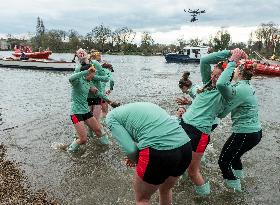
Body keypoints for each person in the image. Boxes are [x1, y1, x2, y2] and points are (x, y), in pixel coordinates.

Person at [179, 48, 247, 196]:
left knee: (193, 171)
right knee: (179, 161)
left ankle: (205, 197)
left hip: (199, 133)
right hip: (184, 125)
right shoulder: (206, 85)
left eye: (217, 75)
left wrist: (231, 62)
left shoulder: (225, 91)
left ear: (226, 77)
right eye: (213, 74)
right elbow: (204, 60)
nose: (214, 77)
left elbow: (222, 83)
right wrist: (229, 53)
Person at [105, 102, 192, 205]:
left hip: (159, 152)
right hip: (185, 147)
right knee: (165, 190)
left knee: (142, 200)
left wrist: (136, 160)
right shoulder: (144, 105)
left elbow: (131, 151)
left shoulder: (111, 117)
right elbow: (153, 130)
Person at [216, 60, 262, 192]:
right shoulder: (247, 86)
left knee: (223, 161)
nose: (233, 71)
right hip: (255, 133)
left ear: (240, 72)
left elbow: (222, 112)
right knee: (235, 157)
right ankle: (240, 181)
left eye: (235, 69)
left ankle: (236, 193)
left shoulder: (240, 89)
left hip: (245, 133)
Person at [67, 63, 105, 153]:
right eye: (92, 74)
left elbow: (98, 93)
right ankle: (69, 151)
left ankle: (106, 147)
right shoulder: (77, 81)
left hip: (86, 112)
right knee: (83, 139)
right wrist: (85, 71)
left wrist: (109, 101)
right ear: (87, 73)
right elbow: (70, 78)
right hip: (75, 114)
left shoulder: (89, 82)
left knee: (98, 131)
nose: (93, 77)